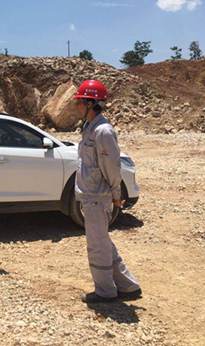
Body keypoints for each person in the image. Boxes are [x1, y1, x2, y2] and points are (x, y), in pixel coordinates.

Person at [74, 79, 142, 303]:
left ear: (90, 103)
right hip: (91, 196)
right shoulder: (90, 129)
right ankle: (128, 286)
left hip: (98, 197)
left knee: (98, 246)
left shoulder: (102, 131)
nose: (76, 106)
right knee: (102, 241)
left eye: (79, 102)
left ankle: (104, 291)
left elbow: (112, 166)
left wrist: (116, 194)